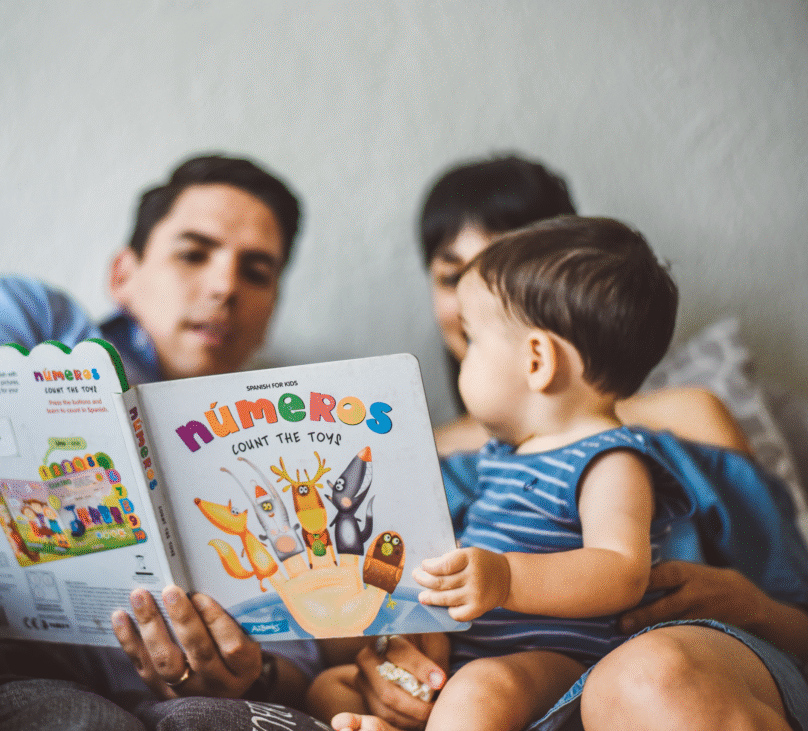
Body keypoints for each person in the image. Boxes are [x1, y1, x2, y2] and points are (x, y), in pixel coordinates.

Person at [0, 154, 331, 731]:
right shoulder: (29, 318)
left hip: (29, 680)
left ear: (271, 309)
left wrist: (248, 673)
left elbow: (296, 656)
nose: (225, 287)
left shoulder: (278, 453)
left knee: (88, 722)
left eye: (256, 273)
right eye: (193, 254)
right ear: (123, 274)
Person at [320, 157, 808, 731]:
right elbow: (361, 607)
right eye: (452, 276)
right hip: (481, 669)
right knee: (333, 688)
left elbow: (635, 569)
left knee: (631, 678)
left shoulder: (651, 436)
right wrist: (395, 652)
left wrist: (755, 608)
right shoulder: (430, 457)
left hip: (610, 664)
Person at [313, 216, 691, 729]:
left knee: (477, 691)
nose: (462, 355)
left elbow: (623, 571)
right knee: (330, 688)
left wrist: (508, 578)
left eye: (472, 340)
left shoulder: (610, 459)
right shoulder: (503, 457)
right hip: (471, 654)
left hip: (558, 663)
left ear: (536, 360)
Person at [420, 154, 751, 457]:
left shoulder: (689, 420)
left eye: (498, 279)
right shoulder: (422, 456)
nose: (468, 303)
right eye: (451, 278)